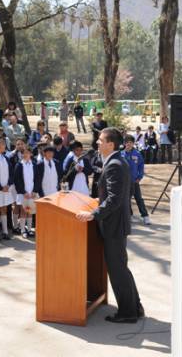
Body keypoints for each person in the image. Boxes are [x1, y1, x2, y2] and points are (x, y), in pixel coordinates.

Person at [76, 127, 144, 323]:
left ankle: (128, 313)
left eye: (100, 140)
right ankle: (135, 307)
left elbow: (114, 199)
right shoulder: (116, 161)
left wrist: (93, 214)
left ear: (110, 144)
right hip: (116, 224)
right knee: (121, 268)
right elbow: (116, 194)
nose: (97, 143)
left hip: (114, 226)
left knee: (117, 269)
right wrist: (100, 199)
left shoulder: (114, 164)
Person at [122, 135, 151, 225]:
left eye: (131, 142)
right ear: (124, 144)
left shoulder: (137, 154)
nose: (129, 144)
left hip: (134, 181)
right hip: (124, 182)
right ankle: (129, 215)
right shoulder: (120, 154)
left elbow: (141, 167)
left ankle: (145, 216)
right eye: (127, 143)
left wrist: (139, 177)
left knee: (139, 199)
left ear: (133, 144)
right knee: (126, 199)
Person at [13, 146, 40, 238]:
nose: (26, 154)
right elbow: (17, 180)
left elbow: (37, 179)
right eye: (24, 153)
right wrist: (23, 192)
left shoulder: (34, 165)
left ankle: (29, 229)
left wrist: (34, 191)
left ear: (31, 154)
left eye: (28, 153)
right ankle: (22, 230)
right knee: (23, 211)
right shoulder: (19, 165)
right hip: (23, 193)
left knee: (30, 210)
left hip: (32, 193)